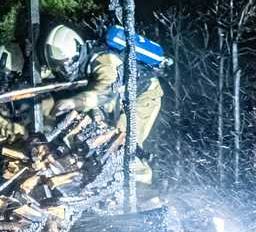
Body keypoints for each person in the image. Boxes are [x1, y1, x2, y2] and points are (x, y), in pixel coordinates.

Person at [38, 23, 164, 184]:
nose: (64, 70)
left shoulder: (104, 60)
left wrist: (75, 102)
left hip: (144, 97)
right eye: (58, 66)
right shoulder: (83, 61)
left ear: (75, 52)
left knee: (121, 141)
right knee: (87, 131)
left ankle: (142, 183)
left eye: (65, 63)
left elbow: (107, 90)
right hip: (121, 100)